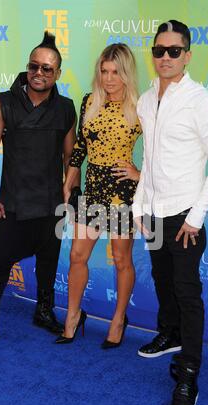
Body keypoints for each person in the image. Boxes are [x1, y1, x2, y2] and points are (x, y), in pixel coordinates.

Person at [133, 20, 208, 405]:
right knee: (161, 279)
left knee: (187, 294)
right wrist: (139, 206)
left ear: (188, 55)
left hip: (184, 220)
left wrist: (195, 217)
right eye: (159, 50)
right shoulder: (144, 99)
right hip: (153, 215)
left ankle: (189, 373)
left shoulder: (203, 102)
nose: (166, 57)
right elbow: (150, 162)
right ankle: (170, 335)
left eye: (174, 51)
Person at [0, 32, 77, 355]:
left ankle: (43, 311)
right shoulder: (3, 102)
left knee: (48, 262)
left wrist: (67, 192)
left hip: (50, 204)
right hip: (12, 203)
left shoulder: (66, 108)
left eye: (47, 69)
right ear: (27, 68)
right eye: (34, 66)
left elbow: (71, 156)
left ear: (57, 73)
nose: (39, 73)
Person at [55, 43, 141, 348]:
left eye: (116, 72)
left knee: (121, 259)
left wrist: (140, 174)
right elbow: (80, 145)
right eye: (104, 71)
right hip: (92, 190)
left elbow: (161, 151)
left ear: (127, 73)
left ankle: (119, 319)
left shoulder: (139, 106)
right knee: (77, 255)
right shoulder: (89, 101)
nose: (109, 78)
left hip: (121, 194)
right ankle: (73, 316)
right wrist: (70, 179)